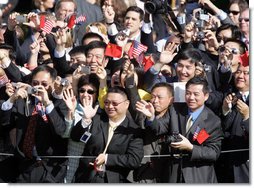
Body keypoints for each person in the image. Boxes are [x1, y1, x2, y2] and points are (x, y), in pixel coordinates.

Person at [137, 76, 223, 183]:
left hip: (198, 176)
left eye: (196, 94)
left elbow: (213, 152)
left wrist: (190, 147)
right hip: (174, 174)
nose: (191, 97)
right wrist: (151, 117)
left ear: (206, 96)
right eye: (188, 93)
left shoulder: (213, 120)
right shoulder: (175, 109)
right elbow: (160, 128)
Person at [0, 65, 69, 182]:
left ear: (53, 85)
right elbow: (4, 122)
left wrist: (47, 103)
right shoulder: (24, 101)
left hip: (50, 169)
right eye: (35, 83)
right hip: (25, 167)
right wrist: (11, 99)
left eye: (44, 84)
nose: (39, 87)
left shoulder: (60, 103)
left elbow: (61, 131)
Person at [71, 86, 144, 183]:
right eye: (106, 103)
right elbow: (75, 137)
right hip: (86, 177)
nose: (110, 107)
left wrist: (107, 158)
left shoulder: (133, 130)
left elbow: (134, 160)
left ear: (126, 104)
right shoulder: (96, 118)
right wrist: (85, 119)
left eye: (115, 103)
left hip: (113, 179)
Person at [62, 73, 100, 183]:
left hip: (91, 166)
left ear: (97, 93)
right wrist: (71, 112)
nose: (85, 94)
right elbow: (66, 134)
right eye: (82, 90)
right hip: (71, 161)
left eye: (90, 91)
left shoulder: (101, 111)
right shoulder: (72, 105)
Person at [216, 63, 249, 183]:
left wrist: (247, 118)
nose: (240, 76)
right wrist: (225, 110)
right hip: (226, 165)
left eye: (246, 73)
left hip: (246, 166)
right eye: (238, 72)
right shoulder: (232, 96)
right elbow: (224, 128)